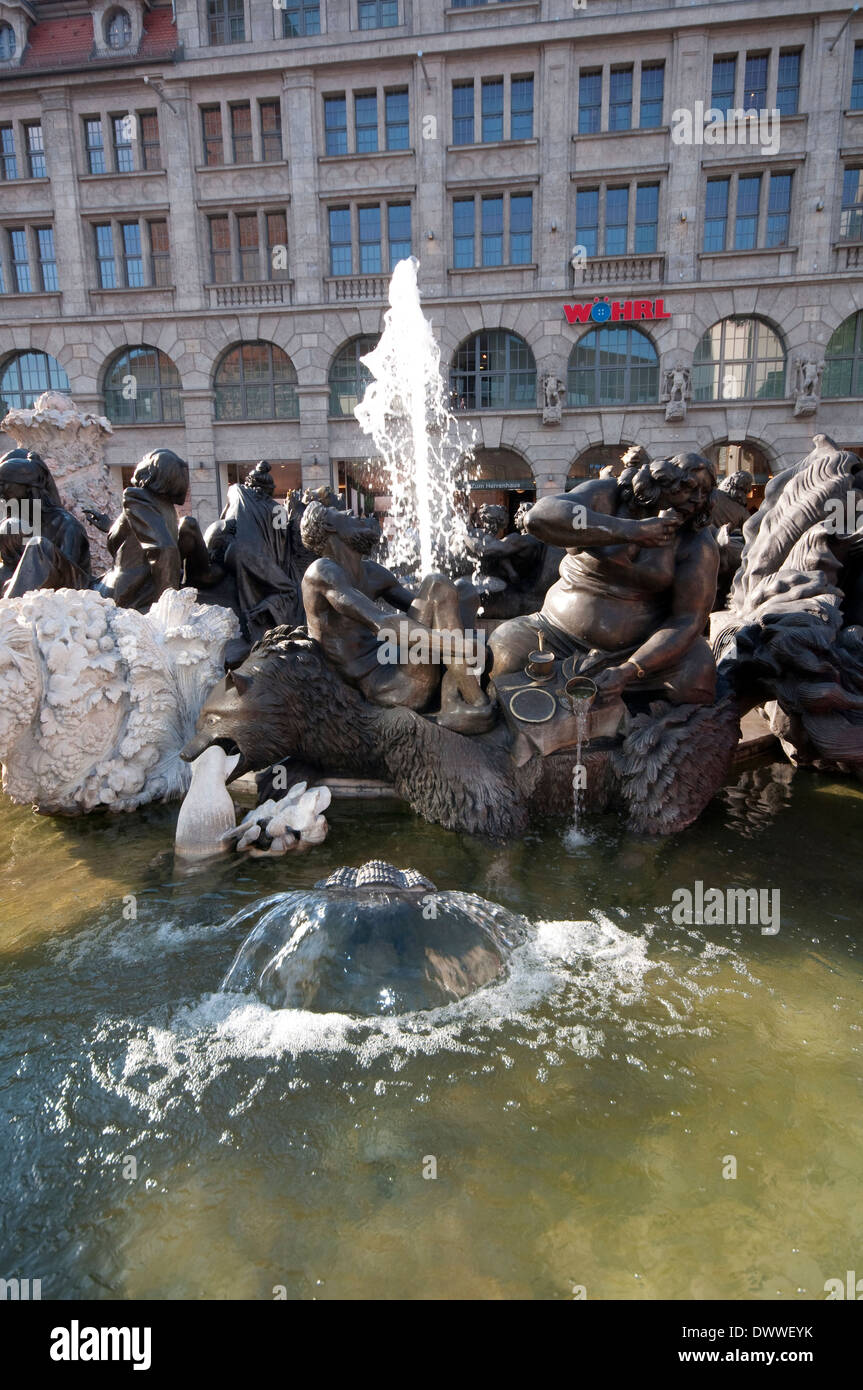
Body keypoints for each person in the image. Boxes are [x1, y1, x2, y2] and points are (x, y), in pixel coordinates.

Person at [489, 452, 720, 706]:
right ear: (661, 481)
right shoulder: (609, 495)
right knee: (504, 649)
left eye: (704, 492)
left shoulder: (696, 542)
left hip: (639, 650)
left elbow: (688, 620)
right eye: (688, 487)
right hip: (554, 633)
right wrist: (631, 531)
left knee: (699, 673)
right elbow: (540, 516)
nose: (697, 500)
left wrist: (631, 669)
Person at [300, 500, 492, 727]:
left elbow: (432, 609)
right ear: (329, 526)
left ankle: (451, 695)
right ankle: (477, 703)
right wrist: (460, 646)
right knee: (437, 584)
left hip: (402, 661)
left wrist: (453, 633)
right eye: (337, 510)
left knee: (465, 590)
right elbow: (383, 624)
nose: (350, 511)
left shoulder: (371, 571)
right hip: (388, 685)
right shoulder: (321, 572)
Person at [93, 448, 189, 610]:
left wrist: (166, 605)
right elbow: (138, 540)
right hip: (143, 587)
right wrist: (110, 526)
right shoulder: (167, 507)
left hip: (128, 592)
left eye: (145, 458)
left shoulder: (136, 497)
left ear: (151, 470)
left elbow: (165, 548)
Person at [0, 448, 92, 597]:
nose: (1, 491)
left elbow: (70, 575)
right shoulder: (17, 521)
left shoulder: (66, 524)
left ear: (27, 488)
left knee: (38, 545)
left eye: (4, 484)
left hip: (66, 595)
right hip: (25, 589)